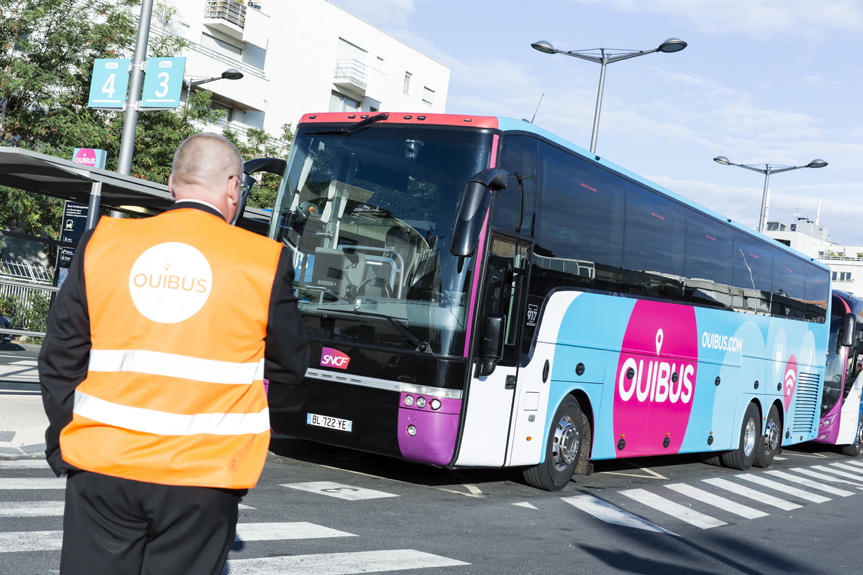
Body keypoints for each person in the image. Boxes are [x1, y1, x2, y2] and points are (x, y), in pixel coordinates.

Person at [39, 132, 309, 575]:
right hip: (204, 475)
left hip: (102, 463)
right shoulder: (262, 260)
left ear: (171, 182)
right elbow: (289, 368)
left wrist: (65, 443)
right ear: (234, 187)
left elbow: (60, 356)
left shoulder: (103, 241)